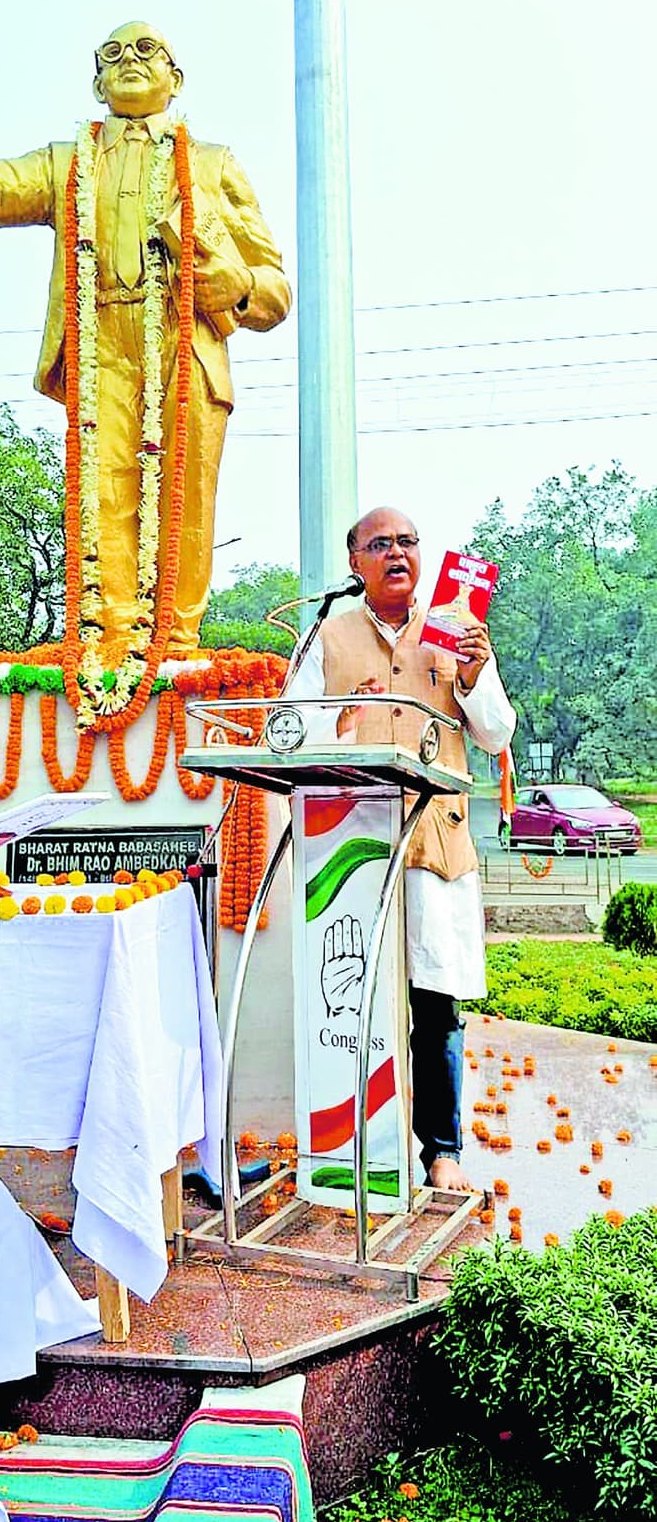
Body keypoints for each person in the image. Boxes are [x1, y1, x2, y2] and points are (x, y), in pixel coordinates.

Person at [0, 7, 291, 704]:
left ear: (176, 79)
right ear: (96, 85)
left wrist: (237, 286)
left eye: (147, 49)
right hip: (100, 345)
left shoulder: (213, 164)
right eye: (112, 54)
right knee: (103, 497)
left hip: (185, 345)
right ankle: (109, 646)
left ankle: (174, 647)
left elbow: (275, 288)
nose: (130, 60)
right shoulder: (67, 163)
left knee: (182, 502)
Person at [288, 506, 516, 1192]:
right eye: (380, 544)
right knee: (350, 997)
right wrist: (340, 721)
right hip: (350, 853)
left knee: (436, 1005)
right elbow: (288, 732)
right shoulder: (326, 636)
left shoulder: (456, 631)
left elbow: (496, 735)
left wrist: (474, 673)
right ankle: (355, 1146)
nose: (397, 553)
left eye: (407, 542)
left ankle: (441, 1151)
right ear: (354, 561)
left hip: (434, 847)